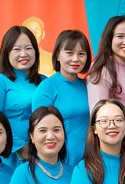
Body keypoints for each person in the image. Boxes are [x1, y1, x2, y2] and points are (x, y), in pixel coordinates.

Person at [86, 15, 125, 155]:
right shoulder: (101, 71)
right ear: (109, 39)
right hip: (119, 149)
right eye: (120, 36)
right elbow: (99, 117)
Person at [31, 29, 92, 168]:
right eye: (69, 53)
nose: (75, 59)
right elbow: (38, 129)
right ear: (58, 55)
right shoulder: (47, 87)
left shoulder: (88, 86)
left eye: (81, 54)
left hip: (89, 161)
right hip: (59, 161)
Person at [0, 26, 42, 164]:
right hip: (10, 155)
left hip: (42, 153)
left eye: (28, 48)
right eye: (16, 49)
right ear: (6, 53)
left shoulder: (45, 81)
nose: (23, 54)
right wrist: (21, 147)